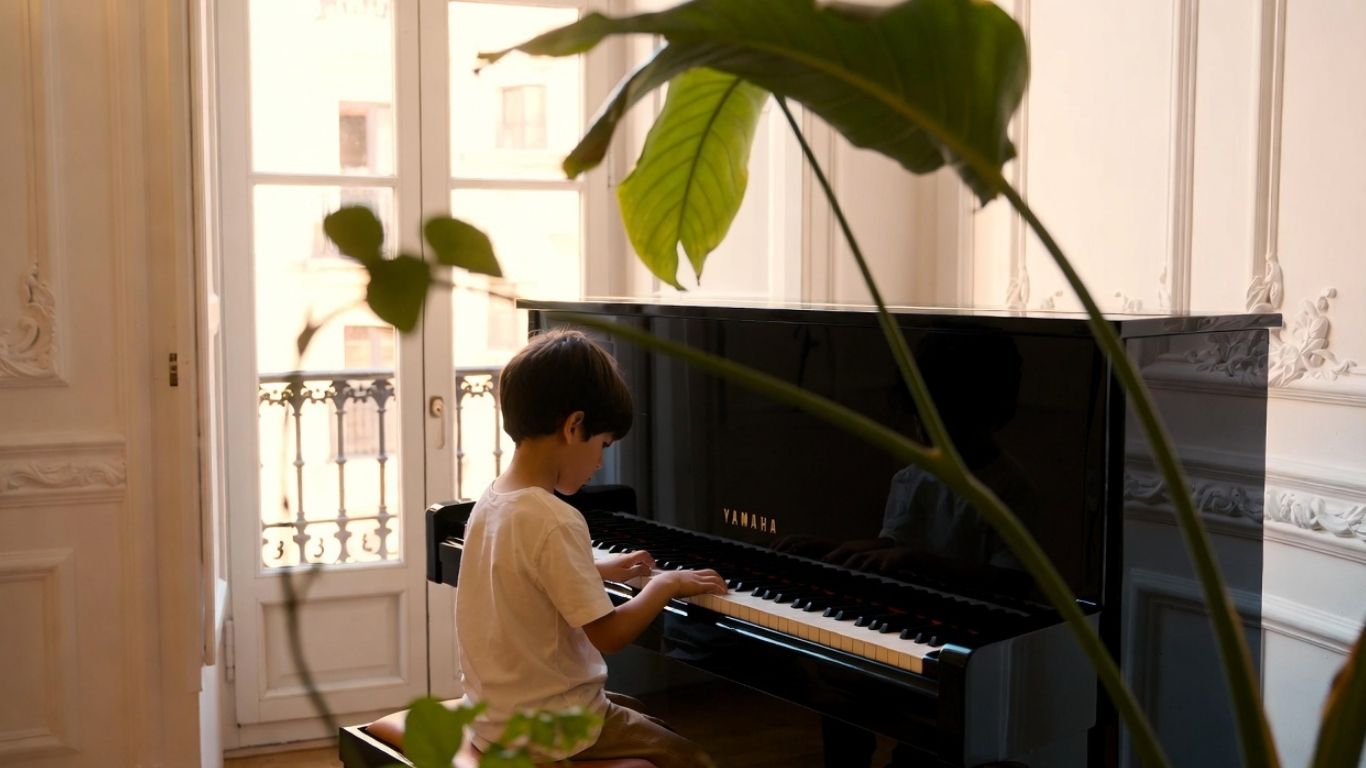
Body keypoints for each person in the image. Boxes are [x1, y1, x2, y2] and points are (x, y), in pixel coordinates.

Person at [456, 328, 726, 768]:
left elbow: (521, 578)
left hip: (495, 721)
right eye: (601, 445)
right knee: (690, 756)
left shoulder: (493, 500)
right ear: (573, 425)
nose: (600, 463)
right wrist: (667, 586)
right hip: (554, 728)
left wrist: (596, 568)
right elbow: (610, 635)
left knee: (639, 710)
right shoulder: (556, 517)